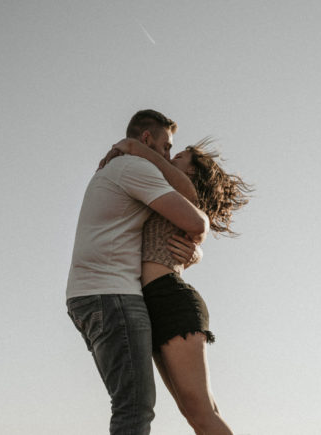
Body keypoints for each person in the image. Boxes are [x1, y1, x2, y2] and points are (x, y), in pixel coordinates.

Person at [66, 109, 209, 435]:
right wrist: (139, 151)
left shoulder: (124, 168)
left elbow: (159, 235)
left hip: (94, 295)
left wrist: (194, 254)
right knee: (134, 407)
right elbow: (196, 220)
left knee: (133, 404)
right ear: (147, 139)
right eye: (167, 146)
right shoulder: (135, 166)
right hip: (112, 295)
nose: (168, 155)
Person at [106, 136, 251, 435]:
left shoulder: (183, 194)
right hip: (152, 305)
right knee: (193, 413)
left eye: (181, 156)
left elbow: (193, 218)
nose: (171, 158)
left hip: (171, 300)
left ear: (193, 173)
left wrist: (136, 147)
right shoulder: (163, 192)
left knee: (202, 413)